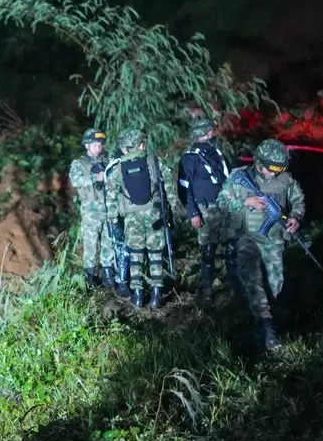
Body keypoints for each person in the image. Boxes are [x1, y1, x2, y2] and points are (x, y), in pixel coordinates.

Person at [216, 139, 306, 350]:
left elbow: (298, 200)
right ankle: (266, 326)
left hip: (273, 240)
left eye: (279, 169)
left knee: (276, 283)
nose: (274, 174)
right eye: (271, 169)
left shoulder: (285, 180)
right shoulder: (239, 177)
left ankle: (268, 318)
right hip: (246, 238)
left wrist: (295, 217)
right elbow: (222, 201)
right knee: (253, 280)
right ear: (259, 163)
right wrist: (244, 202)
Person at [105, 128, 177, 308]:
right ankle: (156, 294)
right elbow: (167, 184)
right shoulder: (153, 161)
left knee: (136, 254)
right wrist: (173, 206)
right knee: (155, 254)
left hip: (131, 218)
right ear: (142, 144)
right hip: (154, 215)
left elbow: (111, 195)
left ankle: (137, 294)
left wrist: (113, 218)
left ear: (124, 149)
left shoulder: (118, 168)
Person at [177, 118, 241, 305]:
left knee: (231, 249)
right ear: (201, 134)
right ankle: (206, 292)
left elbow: (230, 176)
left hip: (226, 208)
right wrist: (193, 213)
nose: (213, 134)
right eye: (210, 132)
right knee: (208, 251)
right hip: (205, 210)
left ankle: (236, 290)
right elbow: (184, 188)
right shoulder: (189, 158)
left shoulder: (217, 153)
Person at [68, 128, 115, 289]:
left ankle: (108, 275)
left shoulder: (107, 161)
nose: (98, 148)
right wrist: (96, 177)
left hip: (108, 209)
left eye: (100, 145)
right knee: (91, 245)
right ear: (87, 145)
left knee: (108, 243)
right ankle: (91, 276)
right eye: (95, 145)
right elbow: (75, 181)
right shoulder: (79, 163)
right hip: (91, 212)